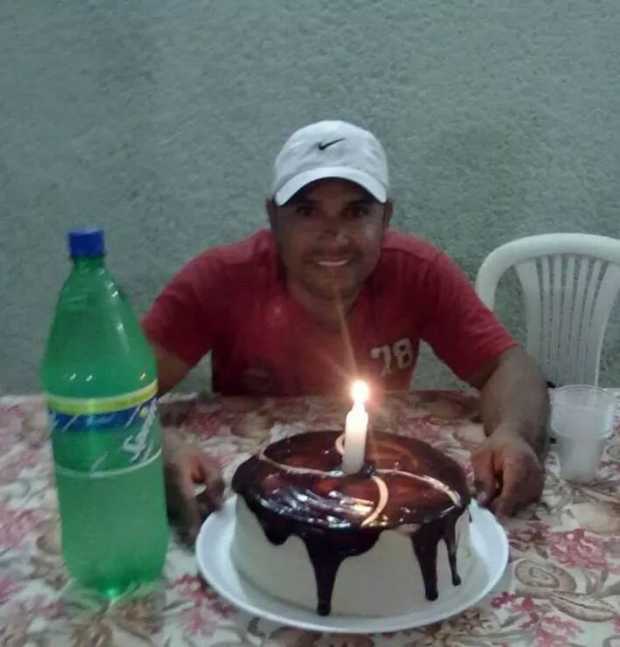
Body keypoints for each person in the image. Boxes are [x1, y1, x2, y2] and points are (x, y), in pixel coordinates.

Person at [143, 120, 549, 542]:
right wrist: (156, 448)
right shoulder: (220, 279)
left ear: (385, 217)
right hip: (253, 518)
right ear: (273, 217)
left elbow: (508, 366)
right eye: (307, 211)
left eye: (356, 212)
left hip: (382, 513)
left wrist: (514, 433)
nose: (333, 236)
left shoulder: (418, 272)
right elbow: (110, 393)